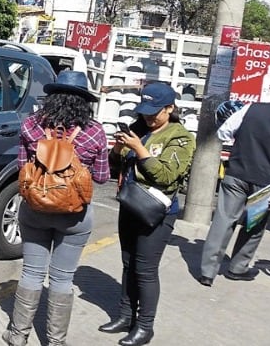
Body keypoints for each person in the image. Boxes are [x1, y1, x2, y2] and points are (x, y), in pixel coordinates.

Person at [2, 70, 109, 346]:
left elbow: (21, 168)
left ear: (52, 98)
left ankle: (18, 335)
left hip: (35, 209)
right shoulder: (95, 132)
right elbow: (101, 176)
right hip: (75, 216)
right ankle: (55, 341)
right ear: (85, 101)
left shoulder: (31, 126)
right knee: (62, 279)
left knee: (31, 273)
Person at [99, 82, 196, 346]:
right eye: (145, 111)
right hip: (130, 205)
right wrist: (118, 149)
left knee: (145, 269)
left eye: (155, 112)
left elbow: (165, 176)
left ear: (170, 108)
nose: (149, 117)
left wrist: (139, 149)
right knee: (128, 264)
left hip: (156, 212)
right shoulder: (138, 129)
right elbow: (115, 167)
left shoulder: (181, 137)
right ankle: (125, 316)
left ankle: (145, 326)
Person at [198, 100, 270, 286]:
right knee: (253, 224)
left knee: (223, 220)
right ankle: (237, 268)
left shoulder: (252, 108)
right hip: (266, 182)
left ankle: (207, 273)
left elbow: (223, 132)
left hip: (237, 172)